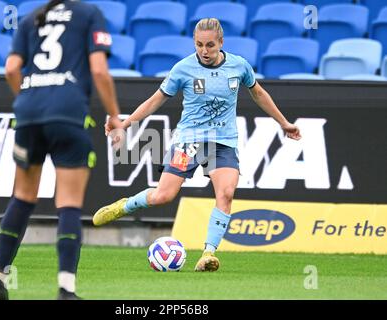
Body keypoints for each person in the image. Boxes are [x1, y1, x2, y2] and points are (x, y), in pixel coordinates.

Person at [92, 18, 301, 272]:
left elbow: (258, 93)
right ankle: (124, 205)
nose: (204, 51)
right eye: (199, 45)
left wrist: (283, 123)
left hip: (223, 143)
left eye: (210, 45)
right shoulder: (183, 68)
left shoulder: (239, 66)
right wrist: (126, 124)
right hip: (188, 142)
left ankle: (208, 254)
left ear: (221, 43)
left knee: (225, 193)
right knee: (163, 196)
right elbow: (155, 100)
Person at [0, 0, 122, 300]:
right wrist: (114, 116)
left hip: (28, 114)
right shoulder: (89, 14)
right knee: (69, 204)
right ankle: (65, 289)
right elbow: (99, 72)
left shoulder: (31, 18)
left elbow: (11, 69)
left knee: (22, 198)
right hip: (69, 113)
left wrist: (30, 98)